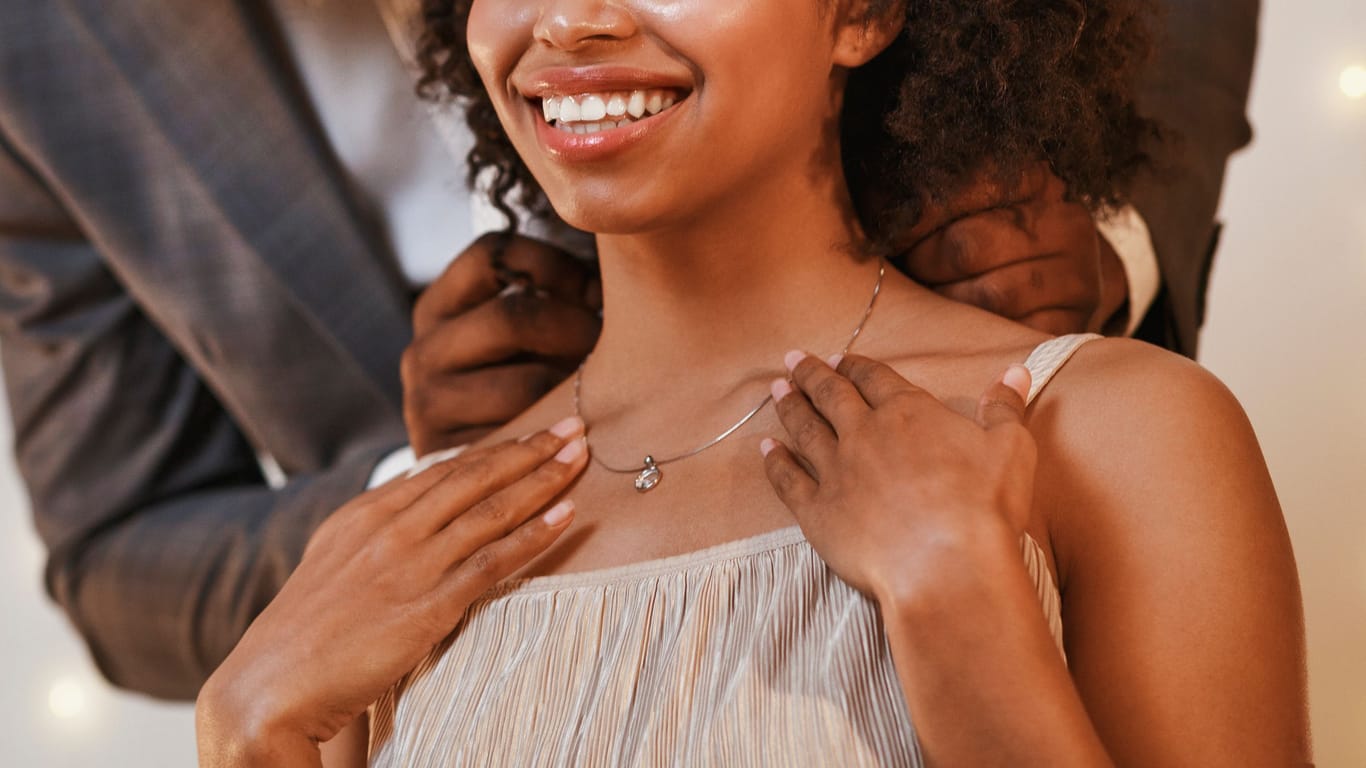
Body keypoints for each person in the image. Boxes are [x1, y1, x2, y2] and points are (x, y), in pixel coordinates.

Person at [0, 0, 1256, 702]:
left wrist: (961, 620)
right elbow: (118, 541)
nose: (571, 19)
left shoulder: (1108, 437)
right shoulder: (42, 45)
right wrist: (400, 528)